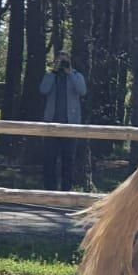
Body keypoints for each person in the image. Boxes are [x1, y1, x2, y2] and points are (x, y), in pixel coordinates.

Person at [40, 51, 87, 191]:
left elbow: (82, 91)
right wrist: (54, 71)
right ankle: (49, 191)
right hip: (51, 125)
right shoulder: (50, 76)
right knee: (50, 160)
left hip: (71, 125)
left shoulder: (77, 76)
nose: (62, 64)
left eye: (65, 61)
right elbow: (43, 89)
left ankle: (67, 191)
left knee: (69, 160)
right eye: (60, 61)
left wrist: (70, 72)